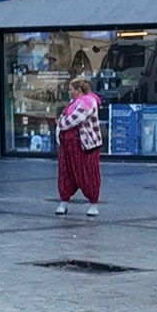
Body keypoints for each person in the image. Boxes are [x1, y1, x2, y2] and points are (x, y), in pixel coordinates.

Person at [54, 76, 104, 216]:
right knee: (66, 173)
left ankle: (93, 204)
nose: (69, 92)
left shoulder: (87, 102)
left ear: (79, 90)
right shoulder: (74, 102)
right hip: (67, 145)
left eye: (71, 89)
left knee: (87, 173)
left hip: (84, 146)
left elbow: (73, 120)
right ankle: (64, 201)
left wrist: (61, 123)